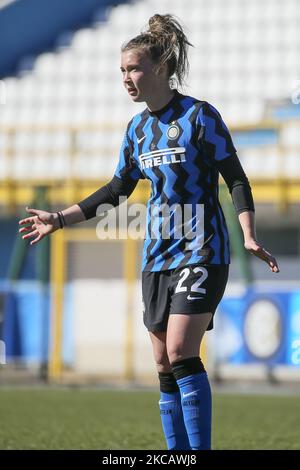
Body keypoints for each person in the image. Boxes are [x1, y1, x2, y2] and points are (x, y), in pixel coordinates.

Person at [19, 14, 279, 450]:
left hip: (202, 248)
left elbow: (235, 177)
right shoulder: (137, 129)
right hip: (157, 253)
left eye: (134, 68)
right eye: (122, 70)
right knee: (162, 361)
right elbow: (118, 189)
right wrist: (59, 219)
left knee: (180, 351)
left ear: (160, 68)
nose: (126, 78)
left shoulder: (199, 116)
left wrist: (248, 233)